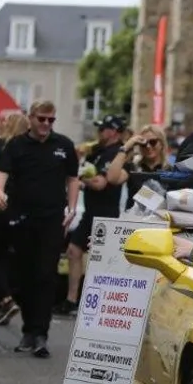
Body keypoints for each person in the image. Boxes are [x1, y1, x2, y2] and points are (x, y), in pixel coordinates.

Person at [0, 101, 80, 358]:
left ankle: (40, 333)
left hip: (52, 220)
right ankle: (28, 329)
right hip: (21, 218)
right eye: (41, 119)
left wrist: (72, 208)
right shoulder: (16, 145)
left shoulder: (63, 145)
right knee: (21, 276)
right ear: (30, 118)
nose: (45, 125)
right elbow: (0, 174)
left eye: (51, 120)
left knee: (45, 275)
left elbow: (73, 179)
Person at [56, 114, 126, 316]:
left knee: (100, 261)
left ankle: (96, 304)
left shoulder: (117, 153)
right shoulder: (98, 151)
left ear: (113, 131)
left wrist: (80, 178)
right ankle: (71, 299)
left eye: (103, 129)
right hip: (91, 212)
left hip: (106, 215)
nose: (99, 132)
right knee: (73, 251)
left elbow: (100, 183)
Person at [0, 113, 31, 324]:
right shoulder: (26, 148)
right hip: (18, 205)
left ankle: (5, 297)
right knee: (8, 256)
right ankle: (3, 301)